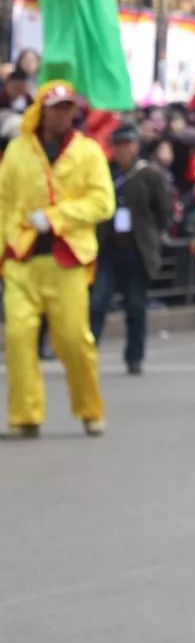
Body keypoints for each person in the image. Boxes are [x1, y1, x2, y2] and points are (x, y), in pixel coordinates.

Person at [0, 71, 114, 435]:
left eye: (67, 109)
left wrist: (56, 217)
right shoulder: (17, 150)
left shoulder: (89, 151)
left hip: (68, 260)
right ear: (41, 111)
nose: (61, 115)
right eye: (54, 109)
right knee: (18, 337)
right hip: (23, 257)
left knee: (72, 340)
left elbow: (102, 202)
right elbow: (3, 202)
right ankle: (26, 416)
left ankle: (89, 409)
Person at [90, 121, 170, 375]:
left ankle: (134, 357)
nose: (123, 150)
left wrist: (150, 235)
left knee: (136, 307)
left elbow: (163, 212)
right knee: (97, 303)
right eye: (119, 145)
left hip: (137, 251)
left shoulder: (149, 174)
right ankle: (88, 355)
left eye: (128, 144)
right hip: (108, 250)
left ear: (136, 146)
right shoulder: (106, 173)